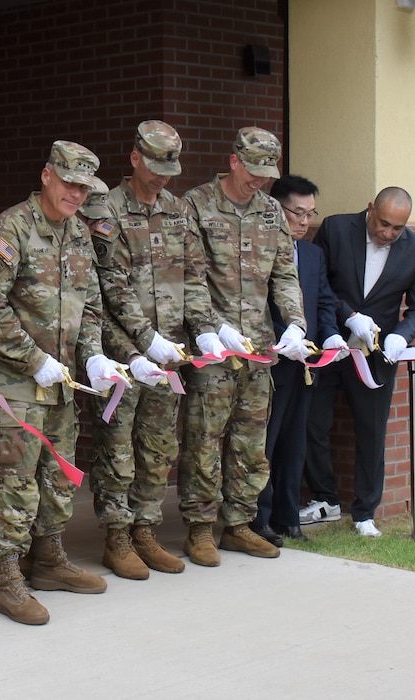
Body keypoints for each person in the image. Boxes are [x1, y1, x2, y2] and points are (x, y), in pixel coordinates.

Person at [0, 140, 124, 625]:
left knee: (57, 478)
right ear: (46, 176)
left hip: (60, 382)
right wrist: (31, 357)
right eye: (69, 184)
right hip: (16, 381)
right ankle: (8, 580)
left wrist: (95, 356)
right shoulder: (11, 228)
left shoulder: (79, 236)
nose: (77, 194)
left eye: (84, 187)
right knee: (13, 483)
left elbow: (89, 307)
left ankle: (47, 560)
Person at [87, 121, 218, 580]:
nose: (163, 176)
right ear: (135, 157)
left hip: (169, 353)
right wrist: (146, 340)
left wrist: (203, 330)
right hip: (123, 349)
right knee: (118, 446)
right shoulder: (106, 209)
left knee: (160, 445)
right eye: (156, 165)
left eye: (170, 168)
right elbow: (111, 285)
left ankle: (146, 529)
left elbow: (194, 278)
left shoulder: (178, 211)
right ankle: (117, 537)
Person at [178, 126, 309, 567]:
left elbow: (285, 275)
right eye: (252, 170)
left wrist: (294, 323)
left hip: (258, 347)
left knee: (250, 441)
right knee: (204, 439)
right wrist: (211, 327)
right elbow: (190, 278)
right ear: (233, 161)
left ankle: (239, 525)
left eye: (266, 173)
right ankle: (199, 528)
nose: (259, 180)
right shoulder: (195, 205)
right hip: (213, 346)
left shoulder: (272, 212)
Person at [304, 187, 415, 538]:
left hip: (377, 354)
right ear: (370, 209)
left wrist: (402, 335)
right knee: (312, 421)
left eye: (397, 228)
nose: (388, 233)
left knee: (372, 431)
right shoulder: (334, 229)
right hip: (329, 342)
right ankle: (325, 498)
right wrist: (348, 315)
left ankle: (365, 512)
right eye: (384, 224)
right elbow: (318, 283)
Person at [252, 176, 346, 544]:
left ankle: (287, 517)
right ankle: (257, 518)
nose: (305, 221)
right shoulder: (257, 249)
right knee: (265, 443)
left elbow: (323, 301)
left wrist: (331, 334)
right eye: (298, 212)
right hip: (269, 362)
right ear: (275, 208)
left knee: (296, 442)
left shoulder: (312, 254)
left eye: (311, 214)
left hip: (305, 362)